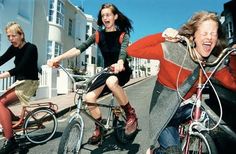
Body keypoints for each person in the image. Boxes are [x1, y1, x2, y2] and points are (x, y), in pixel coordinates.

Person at [127, 11, 236, 153]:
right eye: (204, 33)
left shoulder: (213, 63)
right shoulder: (172, 50)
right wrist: (163, 36)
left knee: (218, 134)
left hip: (188, 109)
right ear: (193, 37)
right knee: (173, 151)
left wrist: (233, 57)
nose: (209, 37)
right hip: (164, 113)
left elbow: (233, 84)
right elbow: (132, 50)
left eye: (213, 33)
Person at [47, 3, 138, 144]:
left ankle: (130, 114)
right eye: (103, 16)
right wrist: (58, 58)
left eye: (108, 15)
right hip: (107, 70)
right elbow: (79, 49)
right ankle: (99, 127)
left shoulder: (122, 35)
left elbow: (123, 52)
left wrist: (120, 63)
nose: (105, 18)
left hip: (121, 70)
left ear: (115, 16)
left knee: (111, 81)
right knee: (89, 97)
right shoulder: (98, 35)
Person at [0, 22, 39, 153]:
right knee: (1, 104)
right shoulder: (13, 48)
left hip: (29, 83)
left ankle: (11, 141)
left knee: (0, 103)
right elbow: (2, 59)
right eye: (8, 37)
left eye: (13, 36)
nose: (11, 39)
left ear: (21, 35)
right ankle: (12, 121)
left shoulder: (31, 48)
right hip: (20, 82)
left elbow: (21, 67)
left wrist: (1, 76)